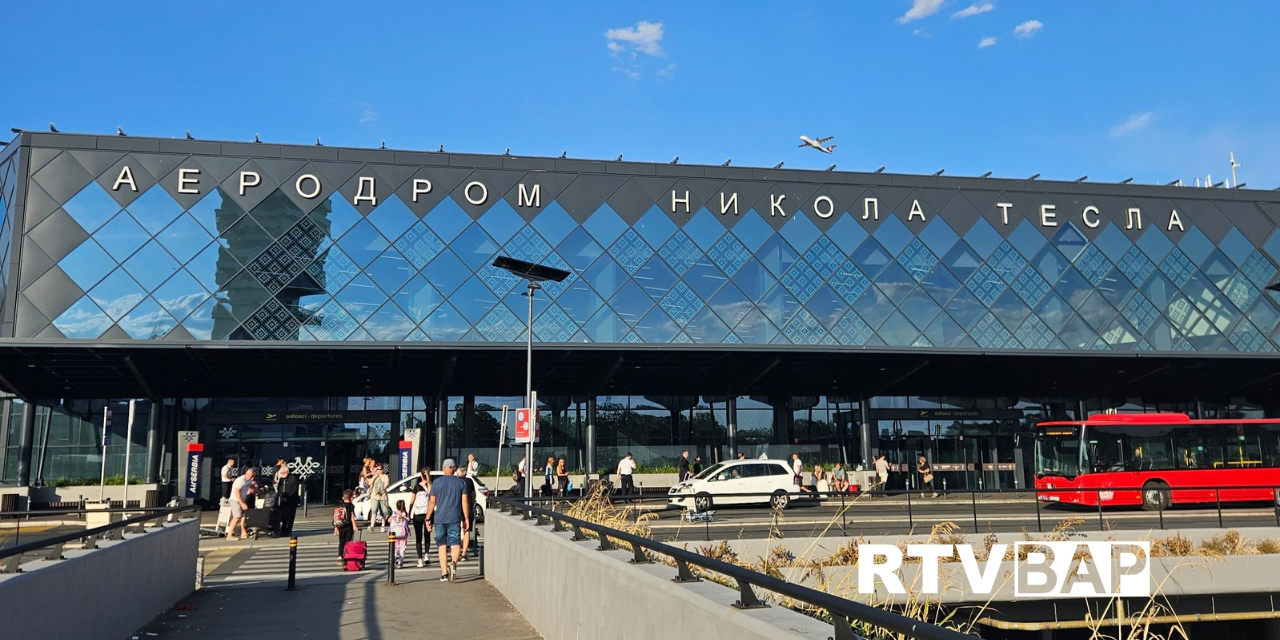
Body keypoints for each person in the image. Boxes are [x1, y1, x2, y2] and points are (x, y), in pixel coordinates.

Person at [427, 459, 471, 583]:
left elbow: (432, 502)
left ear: (444, 468)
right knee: (455, 543)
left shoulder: (437, 483)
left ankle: (444, 573)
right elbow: (464, 502)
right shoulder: (461, 483)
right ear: (453, 468)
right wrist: (466, 518)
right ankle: (453, 563)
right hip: (455, 517)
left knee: (441, 545)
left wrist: (428, 518)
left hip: (440, 518)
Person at [410, 468, 432, 567]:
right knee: (427, 535)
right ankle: (427, 555)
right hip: (428, 514)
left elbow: (412, 501)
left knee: (418, 537)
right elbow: (432, 500)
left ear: (421, 476)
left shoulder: (417, 486)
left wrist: (409, 511)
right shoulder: (430, 486)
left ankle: (420, 560)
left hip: (418, 514)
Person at [226, 467, 255, 541]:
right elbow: (237, 492)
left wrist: (254, 488)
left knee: (243, 516)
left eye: (252, 476)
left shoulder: (249, 481)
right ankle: (229, 535)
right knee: (237, 517)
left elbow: (250, 487)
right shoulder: (240, 480)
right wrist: (242, 503)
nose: (251, 478)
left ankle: (243, 533)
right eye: (250, 476)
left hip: (243, 499)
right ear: (246, 473)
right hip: (235, 500)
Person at [333, 489, 358, 568]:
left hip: (340, 526)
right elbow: (352, 516)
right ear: (351, 498)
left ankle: (340, 556)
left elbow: (337, 518)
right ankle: (347, 556)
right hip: (348, 527)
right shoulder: (351, 506)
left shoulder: (340, 506)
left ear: (343, 498)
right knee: (348, 542)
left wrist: (336, 529)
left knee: (341, 542)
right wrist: (354, 526)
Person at [275, 463, 300, 536]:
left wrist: (288, 496)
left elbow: (295, 489)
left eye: (283, 473)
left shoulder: (293, 478)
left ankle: (288, 530)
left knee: (291, 516)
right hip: (283, 500)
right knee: (284, 515)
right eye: (281, 473)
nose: (282, 474)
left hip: (291, 500)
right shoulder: (281, 479)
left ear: (287, 472)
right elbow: (279, 488)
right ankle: (283, 529)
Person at [388, 499, 410, 568]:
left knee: (395, 548)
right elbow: (408, 521)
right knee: (402, 549)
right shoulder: (406, 514)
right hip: (403, 535)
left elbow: (389, 520)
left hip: (394, 534)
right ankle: (400, 563)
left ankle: (394, 558)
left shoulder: (394, 513)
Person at [369, 465, 391, 531]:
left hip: (383, 496)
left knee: (383, 512)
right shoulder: (375, 476)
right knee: (374, 510)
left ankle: (383, 525)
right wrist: (374, 477)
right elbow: (370, 483)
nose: (378, 471)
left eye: (380, 469)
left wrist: (383, 489)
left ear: (383, 470)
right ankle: (372, 526)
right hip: (374, 496)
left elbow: (386, 484)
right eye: (377, 469)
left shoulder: (385, 476)